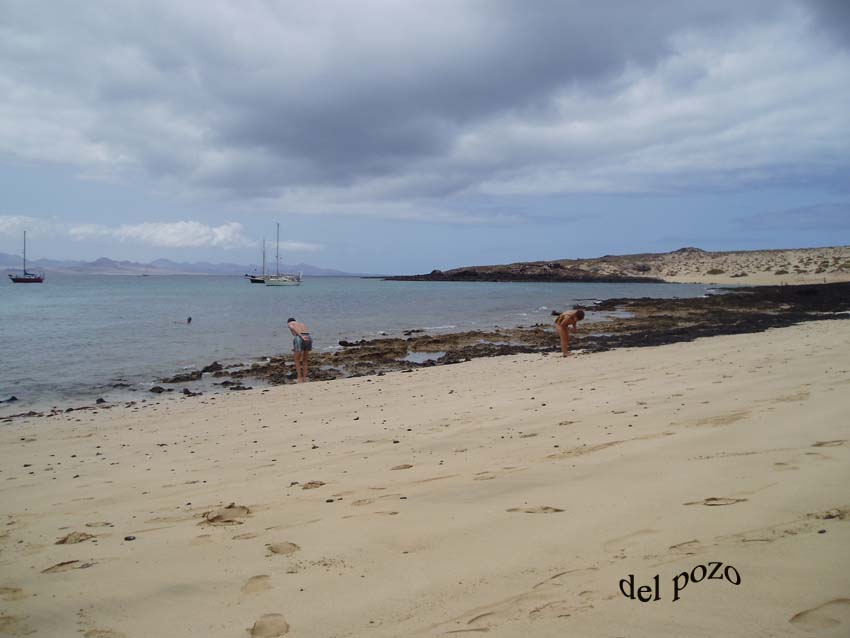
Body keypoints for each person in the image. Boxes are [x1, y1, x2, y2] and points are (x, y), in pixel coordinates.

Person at [287, 317, 312, 382]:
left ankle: (299, 378)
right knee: (305, 360)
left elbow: (292, 327)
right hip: (308, 337)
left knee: (297, 359)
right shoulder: (301, 324)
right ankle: (305, 378)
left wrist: (300, 336)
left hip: (299, 338)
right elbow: (306, 331)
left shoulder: (290, 323)